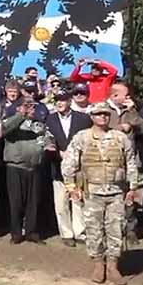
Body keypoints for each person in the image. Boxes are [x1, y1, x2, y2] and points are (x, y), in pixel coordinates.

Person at [61, 102, 142, 285]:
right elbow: (69, 164)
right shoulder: (82, 137)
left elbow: (130, 163)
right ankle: (98, 264)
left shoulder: (120, 137)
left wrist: (132, 188)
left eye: (106, 114)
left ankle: (113, 266)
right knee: (94, 231)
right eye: (99, 114)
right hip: (92, 192)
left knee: (115, 229)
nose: (103, 117)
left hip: (116, 192)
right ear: (92, 116)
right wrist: (71, 187)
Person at [44, 89, 92, 246]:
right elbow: (47, 140)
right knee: (61, 202)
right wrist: (58, 152)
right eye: (57, 100)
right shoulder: (49, 119)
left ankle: (80, 232)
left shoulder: (84, 119)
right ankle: (66, 233)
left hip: (78, 167)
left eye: (62, 100)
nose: (59, 103)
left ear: (70, 101)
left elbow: (88, 139)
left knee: (78, 200)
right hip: (57, 166)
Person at [2, 98, 51, 244]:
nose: (31, 109)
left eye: (33, 107)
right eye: (27, 106)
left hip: (34, 167)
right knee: (16, 201)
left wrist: (48, 145)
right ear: (19, 108)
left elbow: (46, 137)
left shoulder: (39, 124)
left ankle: (31, 232)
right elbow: (4, 131)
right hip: (16, 167)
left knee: (33, 202)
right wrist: (20, 115)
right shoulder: (12, 121)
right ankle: (16, 233)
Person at [106, 80, 143, 245]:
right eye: (125, 95)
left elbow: (142, 128)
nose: (128, 97)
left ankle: (131, 230)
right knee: (110, 196)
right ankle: (112, 230)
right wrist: (119, 128)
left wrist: (132, 113)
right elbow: (98, 129)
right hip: (108, 160)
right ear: (115, 95)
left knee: (130, 195)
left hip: (128, 160)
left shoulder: (129, 110)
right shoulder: (102, 109)